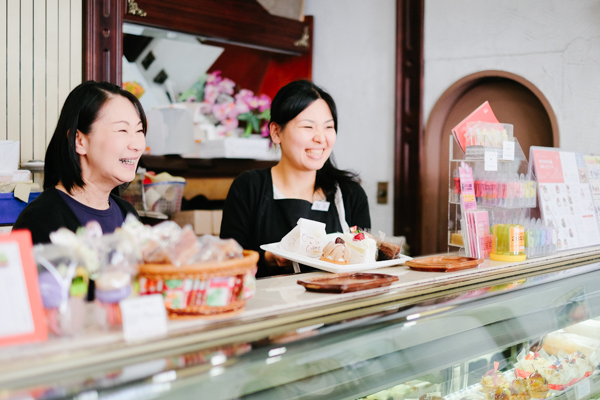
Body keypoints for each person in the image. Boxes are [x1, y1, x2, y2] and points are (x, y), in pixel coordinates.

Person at [220, 80, 371, 278]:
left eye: (328, 127)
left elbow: (363, 259)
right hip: (268, 306)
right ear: (276, 132)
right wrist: (270, 258)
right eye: (308, 127)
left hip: (335, 305)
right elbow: (228, 263)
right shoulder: (249, 187)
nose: (320, 138)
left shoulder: (350, 194)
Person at [13, 81, 147, 244]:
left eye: (139, 130)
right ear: (79, 141)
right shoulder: (40, 219)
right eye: (122, 130)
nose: (137, 145)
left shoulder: (127, 214)